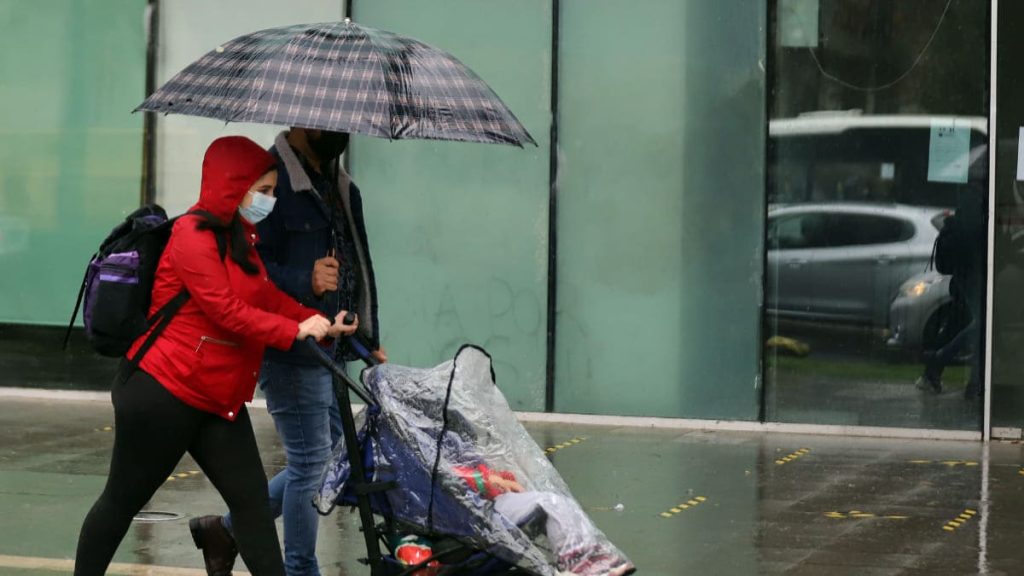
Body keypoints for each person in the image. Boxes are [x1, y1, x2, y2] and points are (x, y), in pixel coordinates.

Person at [73, 136, 356, 576]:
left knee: (252, 507)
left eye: (273, 191)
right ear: (232, 187)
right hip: (163, 393)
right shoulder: (192, 235)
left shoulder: (241, 237)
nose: (270, 200)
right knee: (120, 502)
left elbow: (264, 296)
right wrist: (293, 330)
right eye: (262, 192)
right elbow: (225, 310)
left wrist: (320, 321)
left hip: (214, 398)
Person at [190, 128, 385, 576]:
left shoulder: (340, 185)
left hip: (330, 343)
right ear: (301, 121)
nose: (339, 130)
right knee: (311, 464)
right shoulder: (270, 183)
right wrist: (307, 279)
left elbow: (359, 263)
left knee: (335, 455)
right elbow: (252, 270)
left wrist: (369, 339)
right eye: (328, 121)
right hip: (292, 350)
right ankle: (299, 568)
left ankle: (226, 531)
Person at [449, 440, 635, 576]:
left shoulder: (449, 435)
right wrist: (485, 481)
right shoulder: (429, 443)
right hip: (474, 512)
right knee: (550, 504)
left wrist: (501, 478)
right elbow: (444, 474)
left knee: (561, 503)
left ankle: (591, 559)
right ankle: (577, 563)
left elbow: (474, 470)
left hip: (489, 501)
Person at [916, 191, 986, 398]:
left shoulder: (967, 211)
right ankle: (970, 382)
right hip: (974, 280)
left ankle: (934, 373)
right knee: (983, 328)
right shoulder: (979, 214)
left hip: (961, 281)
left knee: (960, 326)